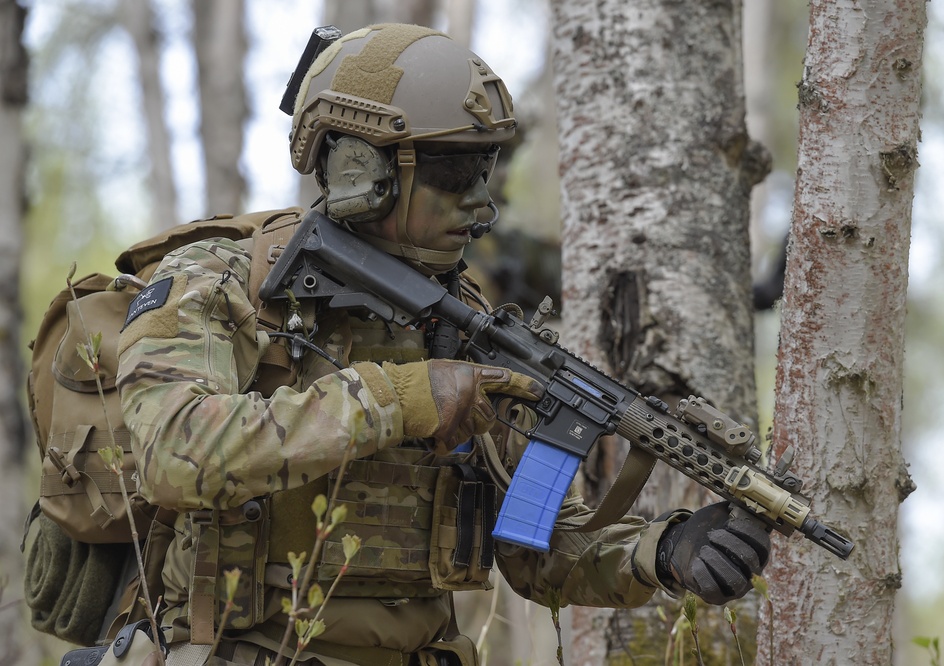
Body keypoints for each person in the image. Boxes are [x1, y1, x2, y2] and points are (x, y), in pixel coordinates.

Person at [115, 23, 771, 665]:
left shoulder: (465, 322)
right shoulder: (223, 278)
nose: (481, 204)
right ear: (358, 168)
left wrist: (661, 552)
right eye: (455, 172)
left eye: (484, 167)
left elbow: (531, 547)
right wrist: (397, 399)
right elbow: (174, 452)